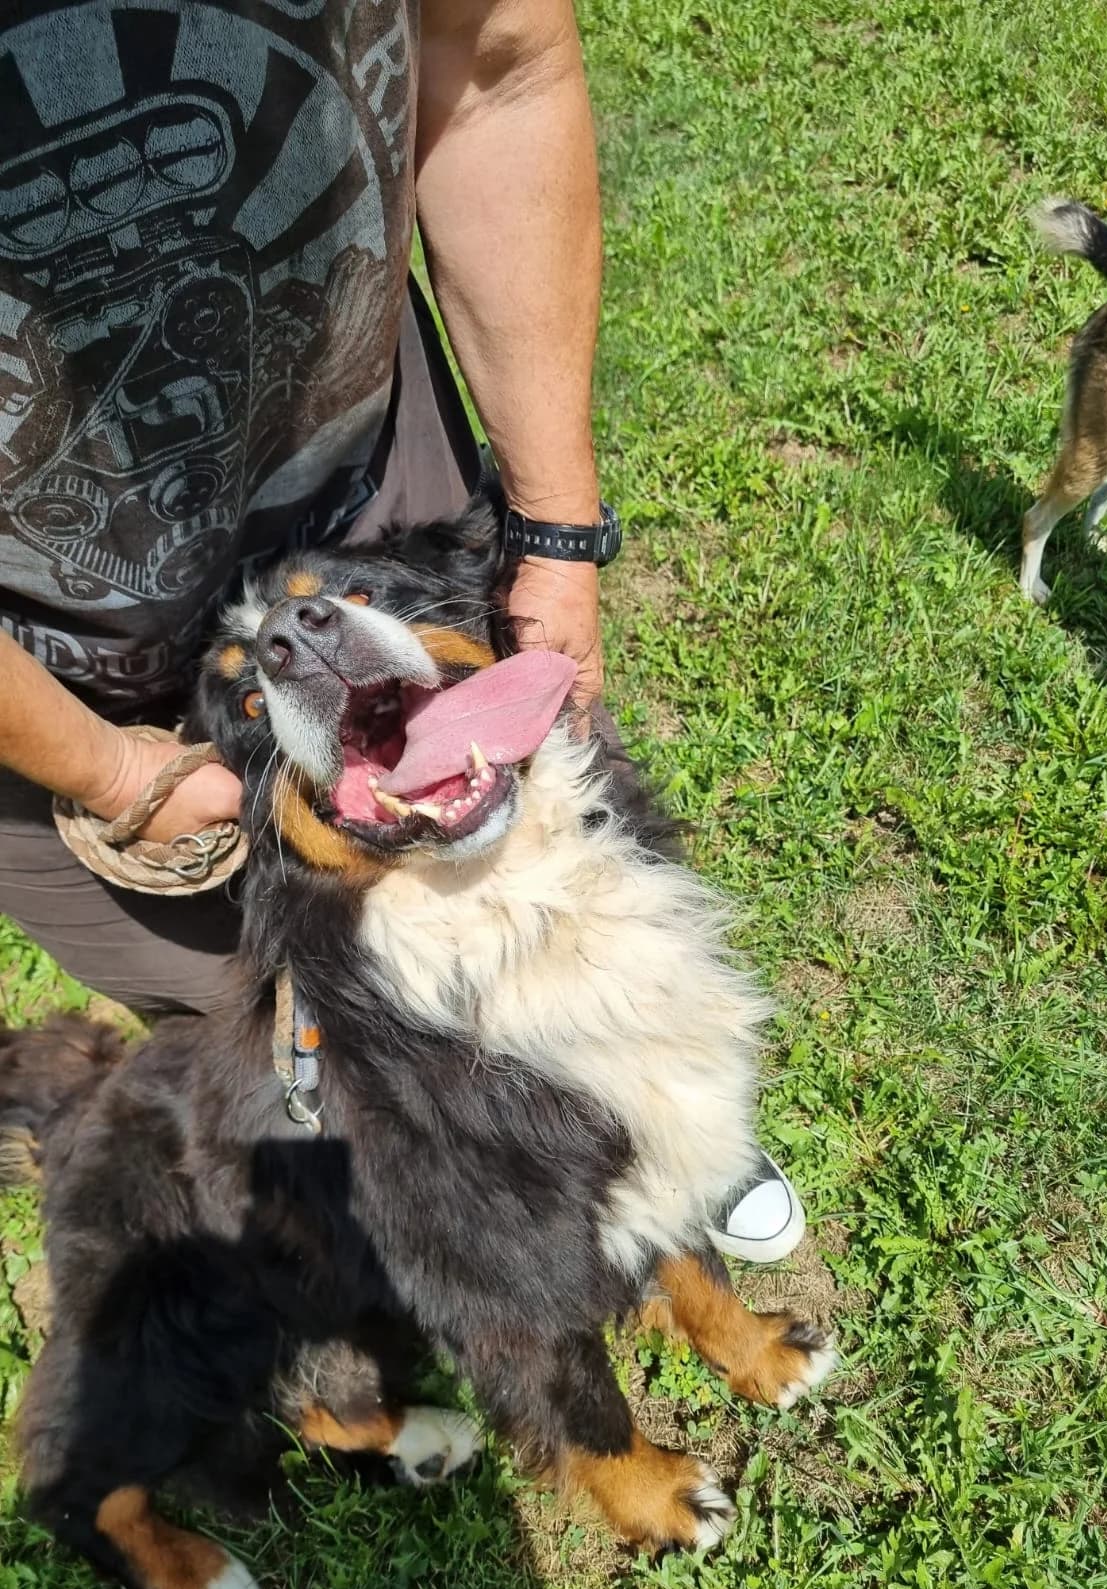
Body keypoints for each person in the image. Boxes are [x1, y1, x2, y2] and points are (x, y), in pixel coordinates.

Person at [0, 0, 802, 1263]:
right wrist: (112, 772)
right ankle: (458, 1195)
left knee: (542, 839)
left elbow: (493, 70)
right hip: (44, 704)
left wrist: (554, 530)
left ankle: (663, 1109)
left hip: (380, 511)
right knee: (271, 1018)